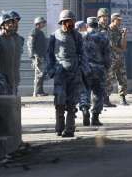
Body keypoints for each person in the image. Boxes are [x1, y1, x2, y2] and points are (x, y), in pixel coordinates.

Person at [46, 10, 90, 138]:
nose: (71, 24)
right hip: (60, 73)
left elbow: (82, 54)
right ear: (63, 22)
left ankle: (70, 129)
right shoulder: (54, 36)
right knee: (59, 100)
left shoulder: (77, 36)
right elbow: (49, 55)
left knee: (71, 102)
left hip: (74, 72)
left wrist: (84, 70)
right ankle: (59, 127)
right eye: (68, 21)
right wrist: (51, 70)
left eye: (72, 21)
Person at [79, 17, 111, 126]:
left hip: (85, 68)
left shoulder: (81, 36)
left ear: (87, 25)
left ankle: (84, 109)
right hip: (99, 68)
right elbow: (107, 55)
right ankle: (95, 117)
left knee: (85, 90)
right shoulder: (103, 37)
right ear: (97, 25)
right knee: (98, 93)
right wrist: (107, 67)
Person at [108, 13, 129, 106]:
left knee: (123, 78)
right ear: (113, 20)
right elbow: (111, 45)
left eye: (121, 20)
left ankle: (122, 98)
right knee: (109, 79)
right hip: (111, 58)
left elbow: (124, 46)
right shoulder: (108, 30)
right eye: (118, 20)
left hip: (120, 59)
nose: (120, 22)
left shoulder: (119, 31)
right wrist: (121, 50)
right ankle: (106, 98)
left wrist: (124, 35)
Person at [97, 8, 116, 108]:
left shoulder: (108, 29)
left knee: (109, 79)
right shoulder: (97, 28)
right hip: (100, 58)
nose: (105, 18)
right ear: (99, 18)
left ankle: (106, 99)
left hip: (108, 57)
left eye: (107, 17)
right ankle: (99, 100)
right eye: (103, 17)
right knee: (101, 79)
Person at [27, 17, 48, 97]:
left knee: (41, 75)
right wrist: (33, 55)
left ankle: (40, 91)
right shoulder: (34, 31)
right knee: (39, 74)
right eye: (43, 22)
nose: (44, 24)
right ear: (38, 24)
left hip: (41, 56)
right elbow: (30, 44)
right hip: (37, 57)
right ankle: (37, 92)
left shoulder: (40, 32)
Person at [7, 10, 24, 95]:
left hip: (15, 73)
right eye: (14, 22)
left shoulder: (19, 39)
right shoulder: (2, 37)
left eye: (17, 22)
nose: (16, 25)